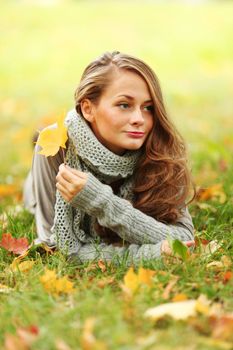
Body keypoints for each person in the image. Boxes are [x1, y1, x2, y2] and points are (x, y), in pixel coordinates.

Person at [23, 51, 195, 265]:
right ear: (88, 109)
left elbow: (185, 240)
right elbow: (55, 247)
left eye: (148, 108)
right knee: (31, 192)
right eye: (124, 105)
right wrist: (149, 255)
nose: (139, 119)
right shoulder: (55, 146)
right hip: (39, 187)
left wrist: (101, 202)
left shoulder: (160, 148)